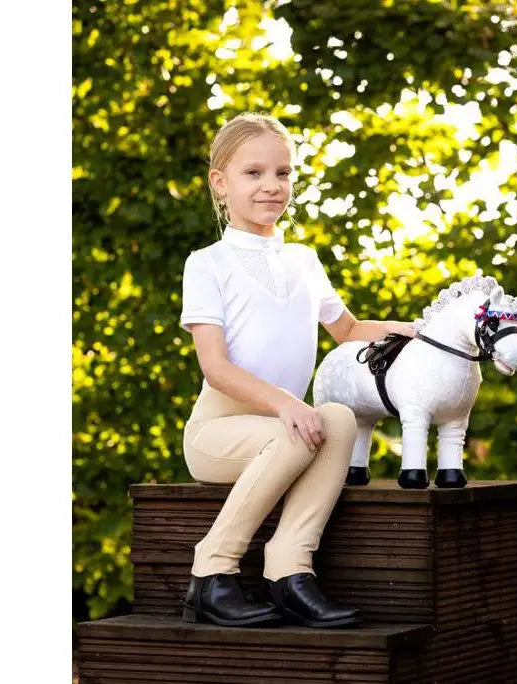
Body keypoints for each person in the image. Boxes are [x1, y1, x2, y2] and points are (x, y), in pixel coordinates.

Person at [179, 112, 416, 629]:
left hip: (284, 427)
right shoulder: (207, 263)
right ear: (220, 183)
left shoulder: (304, 260)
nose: (272, 185)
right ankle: (210, 572)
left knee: (338, 419)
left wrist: (423, 332)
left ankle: (289, 572)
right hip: (219, 431)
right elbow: (215, 367)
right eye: (253, 173)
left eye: (283, 173)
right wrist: (286, 403)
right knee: (301, 430)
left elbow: (349, 330)